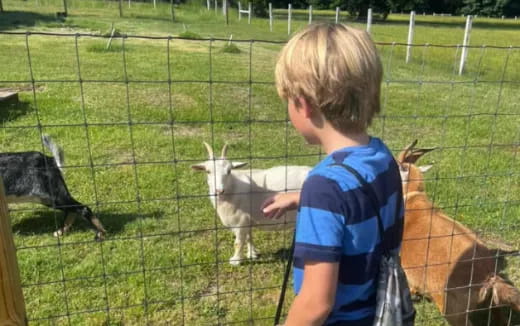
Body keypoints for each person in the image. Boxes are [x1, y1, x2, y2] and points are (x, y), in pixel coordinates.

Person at [261, 23, 404, 326]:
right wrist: (302, 198)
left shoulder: (324, 187)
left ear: (304, 104)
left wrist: (313, 197)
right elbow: (362, 200)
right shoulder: (382, 157)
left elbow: (316, 304)